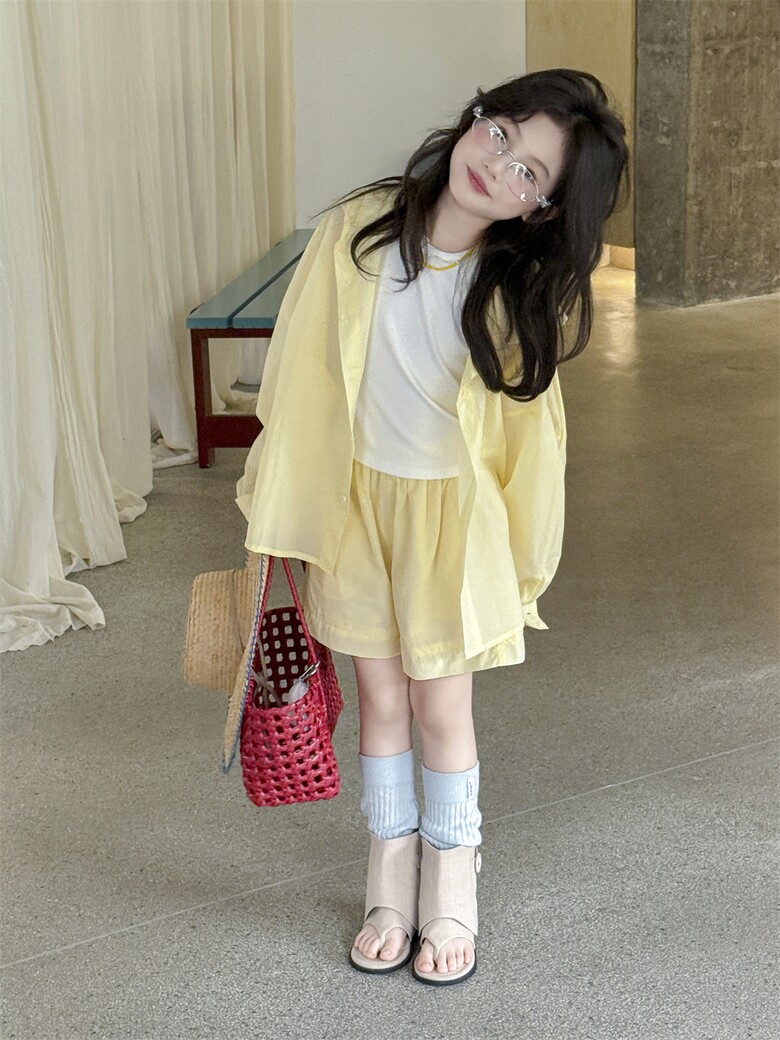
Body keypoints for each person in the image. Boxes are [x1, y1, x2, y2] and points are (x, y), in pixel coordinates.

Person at [236, 69, 628, 986]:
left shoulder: (513, 292)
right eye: (502, 135)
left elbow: (533, 447)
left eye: (530, 173)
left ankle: (452, 871)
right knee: (380, 701)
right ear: (476, 118)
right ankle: (390, 872)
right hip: (356, 506)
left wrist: (520, 564)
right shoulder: (358, 230)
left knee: (440, 706)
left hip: (451, 519)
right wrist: (278, 502)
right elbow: (299, 373)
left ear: (541, 209)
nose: (499, 166)